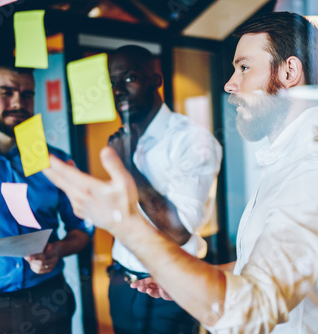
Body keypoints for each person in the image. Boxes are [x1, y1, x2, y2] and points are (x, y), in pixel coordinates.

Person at [44, 11, 318, 333]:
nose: (229, 84)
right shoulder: (288, 165)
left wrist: (122, 221)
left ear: (289, 72)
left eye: (244, 67)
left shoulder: (317, 176)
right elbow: (260, 270)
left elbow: (251, 312)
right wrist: (185, 280)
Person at [105, 45, 223, 334]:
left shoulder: (192, 140)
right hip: (121, 281)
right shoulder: (123, 139)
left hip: (171, 290)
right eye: (113, 82)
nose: (118, 89)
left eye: (129, 78)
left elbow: (178, 229)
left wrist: (127, 167)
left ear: (155, 81)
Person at [0, 58, 93, 334]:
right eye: (6, 92)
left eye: (27, 94)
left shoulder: (57, 162)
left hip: (50, 301)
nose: (18, 102)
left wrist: (57, 250)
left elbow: (83, 227)